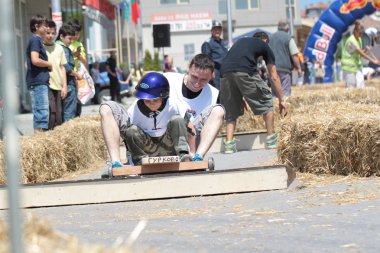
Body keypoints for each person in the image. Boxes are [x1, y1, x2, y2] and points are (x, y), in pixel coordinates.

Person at [99, 72, 193, 176]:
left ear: (164, 96)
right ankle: (139, 160)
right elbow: (129, 138)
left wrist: (193, 152)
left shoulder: (174, 105)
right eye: (147, 101)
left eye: (155, 100)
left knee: (177, 120)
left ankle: (183, 155)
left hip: (169, 146)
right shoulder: (134, 110)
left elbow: (190, 128)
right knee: (131, 130)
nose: (151, 104)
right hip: (148, 150)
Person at [220, 32, 289, 153]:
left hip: (224, 73)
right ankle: (271, 140)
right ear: (266, 40)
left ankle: (229, 145)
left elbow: (234, 67)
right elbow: (274, 77)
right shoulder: (265, 45)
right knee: (267, 100)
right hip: (245, 71)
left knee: (231, 110)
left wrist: (239, 97)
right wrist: (282, 100)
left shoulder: (240, 42)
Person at [164, 54, 225, 161]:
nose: (197, 84)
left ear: (212, 76)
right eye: (194, 77)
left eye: (203, 80)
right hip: (168, 132)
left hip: (193, 137)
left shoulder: (214, 94)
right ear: (188, 68)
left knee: (219, 110)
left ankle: (198, 157)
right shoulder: (168, 79)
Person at [25, 15, 52, 134]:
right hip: (38, 83)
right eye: (45, 26)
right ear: (36, 26)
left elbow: (27, 63)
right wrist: (48, 64)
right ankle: (38, 139)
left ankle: (39, 138)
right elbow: (35, 60)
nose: (47, 28)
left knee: (41, 112)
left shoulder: (36, 40)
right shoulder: (35, 40)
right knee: (41, 112)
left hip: (37, 81)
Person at [56, 24, 83, 122]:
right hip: (68, 84)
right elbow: (66, 67)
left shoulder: (56, 46)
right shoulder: (63, 48)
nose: (71, 41)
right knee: (69, 114)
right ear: (61, 36)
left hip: (60, 84)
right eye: (69, 39)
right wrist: (77, 75)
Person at [43, 20, 67, 129]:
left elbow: (62, 67)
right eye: (48, 33)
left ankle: (57, 138)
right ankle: (48, 134)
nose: (50, 36)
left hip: (58, 84)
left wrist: (64, 86)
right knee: (51, 112)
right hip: (46, 84)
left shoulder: (59, 48)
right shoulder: (40, 47)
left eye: (53, 33)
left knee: (58, 114)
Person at [269, 19, 302, 98]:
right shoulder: (288, 38)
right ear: (287, 29)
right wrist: (299, 68)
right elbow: (294, 55)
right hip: (284, 69)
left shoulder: (270, 38)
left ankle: (275, 109)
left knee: (274, 93)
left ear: (278, 28)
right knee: (285, 93)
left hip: (272, 69)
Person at [342, 21, 380, 88]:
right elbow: (362, 54)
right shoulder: (352, 40)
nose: (361, 35)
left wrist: (365, 49)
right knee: (351, 87)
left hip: (357, 65)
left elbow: (359, 52)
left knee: (361, 86)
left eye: (362, 33)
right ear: (355, 31)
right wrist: (374, 61)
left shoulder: (359, 39)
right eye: (360, 33)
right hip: (349, 66)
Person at [68, 19, 87, 116]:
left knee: (78, 102)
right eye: (75, 33)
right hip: (68, 75)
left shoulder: (79, 45)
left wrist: (79, 56)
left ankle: (77, 118)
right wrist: (72, 53)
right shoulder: (65, 43)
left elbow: (85, 62)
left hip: (78, 77)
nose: (76, 36)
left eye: (78, 33)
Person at [201, 20, 228, 90]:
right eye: (215, 29)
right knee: (216, 92)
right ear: (211, 31)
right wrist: (211, 72)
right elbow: (206, 60)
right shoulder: (208, 43)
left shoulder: (224, 42)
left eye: (219, 29)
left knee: (225, 93)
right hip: (215, 71)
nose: (217, 31)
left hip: (225, 71)